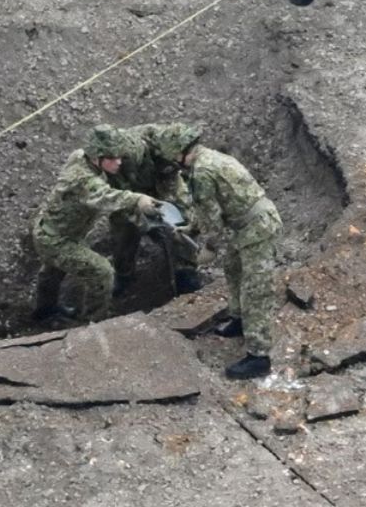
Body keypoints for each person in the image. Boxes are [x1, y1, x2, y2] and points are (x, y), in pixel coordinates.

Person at [158, 126, 282, 381]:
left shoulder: (202, 172)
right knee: (233, 269)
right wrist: (191, 227)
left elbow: (212, 217)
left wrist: (209, 249)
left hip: (257, 228)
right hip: (243, 225)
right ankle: (238, 321)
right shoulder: (210, 158)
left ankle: (259, 356)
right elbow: (212, 207)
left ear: (179, 153)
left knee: (255, 289)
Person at [31, 126, 163, 323]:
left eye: (119, 156)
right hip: (56, 240)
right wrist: (137, 200)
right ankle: (94, 324)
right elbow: (104, 195)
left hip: (57, 232)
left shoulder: (82, 158)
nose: (119, 162)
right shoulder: (81, 179)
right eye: (112, 158)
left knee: (53, 271)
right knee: (102, 273)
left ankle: (44, 311)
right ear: (97, 157)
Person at [91, 123, 205, 296]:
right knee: (123, 228)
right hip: (126, 191)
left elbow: (171, 185)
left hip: (158, 183)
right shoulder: (109, 156)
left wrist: (165, 211)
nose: (121, 163)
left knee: (180, 218)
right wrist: (140, 216)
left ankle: (185, 270)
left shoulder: (165, 148)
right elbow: (111, 197)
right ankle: (123, 274)